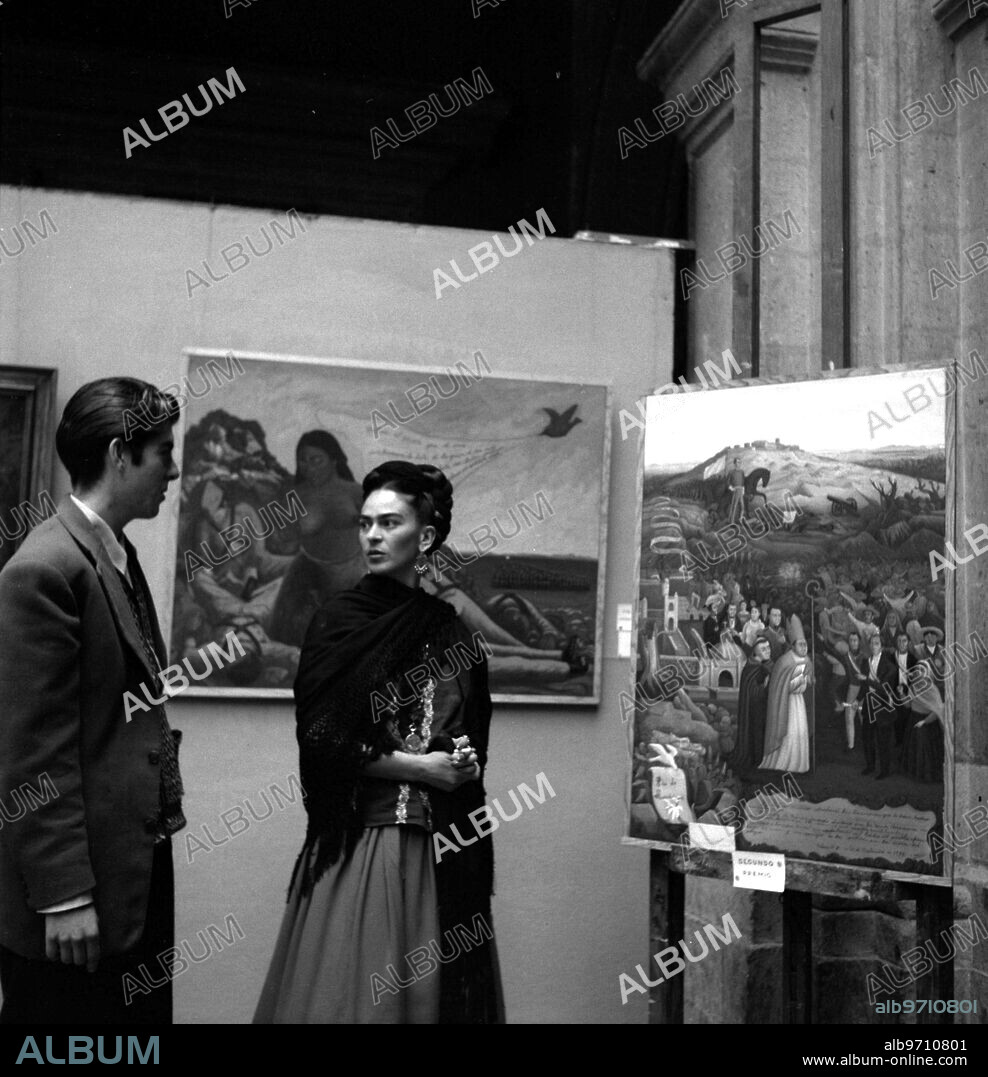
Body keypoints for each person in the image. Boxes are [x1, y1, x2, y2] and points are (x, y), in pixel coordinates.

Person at [254, 461, 502, 1024]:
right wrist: (422, 769)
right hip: (366, 839)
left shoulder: (451, 628)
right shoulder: (338, 620)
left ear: (427, 537)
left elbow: (465, 731)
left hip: (440, 845)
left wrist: (461, 761)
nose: (371, 536)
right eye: (366, 524)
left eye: (389, 523)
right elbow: (322, 740)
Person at [0, 378, 184, 1024]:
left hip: (128, 877)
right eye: (163, 450)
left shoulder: (116, 554)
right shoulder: (44, 568)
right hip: (76, 905)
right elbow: (31, 754)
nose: (174, 468)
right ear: (118, 454)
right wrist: (64, 894)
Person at [268, 430, 366, 647]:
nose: (309, 467)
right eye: (303, 461)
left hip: (351, 573)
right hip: (308, 572)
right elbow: (284, 541)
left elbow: (379, 531)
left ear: (334, 460)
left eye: (316, 460)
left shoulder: (356, 492)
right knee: (295, 642)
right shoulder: (294, 496)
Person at [759, 618, 812, 773]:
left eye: (805, 644)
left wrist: (807, 678)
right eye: (800, 644)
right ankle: (782, 763)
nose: (804, 647)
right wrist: (801, 678)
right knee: (789, 732)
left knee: (799, 731)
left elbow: (808, 682)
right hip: (786, 703)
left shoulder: (807, 660)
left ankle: (798, 764)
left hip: (799, 703)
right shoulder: (784, 661)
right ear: (793, 645)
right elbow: (783, 686)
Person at [731, 636, 773, 770]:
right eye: (763, 649)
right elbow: (753, 692)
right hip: (754, 710)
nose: (767, 651)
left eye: (768, 647)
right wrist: (765, 687)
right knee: (756, 735)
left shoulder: (764, 665)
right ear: (755, 652)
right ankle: (757, 761)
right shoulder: (752, 668)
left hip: (762, 708)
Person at [860, 634, 898, 779]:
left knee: (883, 741)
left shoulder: (890, 666)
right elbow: (864, 686)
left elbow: (884, 687)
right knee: (867, 738)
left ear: (881, 646)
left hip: (882, 706)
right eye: (872, 643)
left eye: (876, 643)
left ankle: (884, 770)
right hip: (869, 704)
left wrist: (867, 679)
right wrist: (859, 700)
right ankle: (870, 766)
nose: (873, 646)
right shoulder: (865, 662)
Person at [900, 660, 945, 783]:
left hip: (928, 724)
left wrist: (924, 722)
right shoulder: (913, 687)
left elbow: (937, 710)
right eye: (917, 670)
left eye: (922, 670)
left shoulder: (932, 688)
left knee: (926, 750)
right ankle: (915, 775)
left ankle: (928, 777)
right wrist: (901, 694)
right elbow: (908, 706)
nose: (918, 672)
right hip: (913, 720)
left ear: (927, 672)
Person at [727, 457, 745, 524]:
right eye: (737, 462)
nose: (739, 463)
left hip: (741, 490)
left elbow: (743, 481)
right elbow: (727, 482)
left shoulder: (742, 472)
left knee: (742, 506)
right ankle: (731, 522)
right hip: (735, 490)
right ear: (734, 463)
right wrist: (731, 488)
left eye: (740, 462)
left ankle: (740, 519)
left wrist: (743, 489)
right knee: (734, 506)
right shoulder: (731, 472)